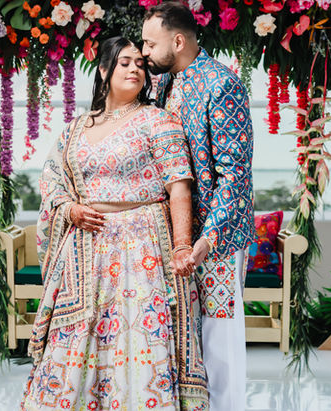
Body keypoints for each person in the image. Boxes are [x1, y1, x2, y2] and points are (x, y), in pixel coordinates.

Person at [21, 36, 208, 410]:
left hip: (142, 250)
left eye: (140, 63)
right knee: (77, 335)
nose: (135, 69)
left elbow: (179, 187)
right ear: (104, 70)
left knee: (137, 337)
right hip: (85, 250)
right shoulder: (77, 127)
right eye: (124, 62)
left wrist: (182, 246)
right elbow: (52, 180)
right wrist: (71, 209)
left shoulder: (158, 120)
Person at [142, 2, 255, 410]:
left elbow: (235, 176)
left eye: (150, 43)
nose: (144, 51)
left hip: (218, 239)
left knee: (219, 339)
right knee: (180, 336)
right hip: (175, 236)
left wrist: (209, 238)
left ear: (178, 39)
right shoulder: (163, 85)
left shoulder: (221, 85)